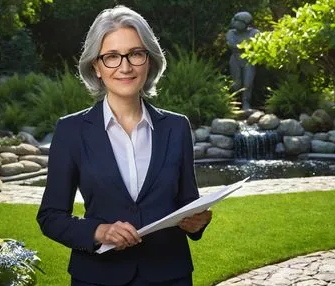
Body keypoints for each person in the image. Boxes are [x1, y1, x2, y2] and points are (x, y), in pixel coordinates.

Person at [36, 5, 212, 286]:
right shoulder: (71, 130)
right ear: (96, 65)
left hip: (170, 275)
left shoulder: (176, 127)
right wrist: (99, 231)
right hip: (97, 277)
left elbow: (188, 203)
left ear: (149, 60)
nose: (125, 67)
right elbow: (50, 216)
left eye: (135, 54)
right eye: (112, 57)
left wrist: (199, 221)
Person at [226, 11, 259, 110]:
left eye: (237, 20)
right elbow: (232, 46)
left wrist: (241, 47)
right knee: (236, 83)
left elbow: (252, 45)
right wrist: (245, 46)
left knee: (248, 83)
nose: (233, 21)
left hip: (248, 59)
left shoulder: (254, 32)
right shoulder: (231, 33)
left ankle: (246, 103)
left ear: (245, 23)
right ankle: (234, 103)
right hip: (235, 59)